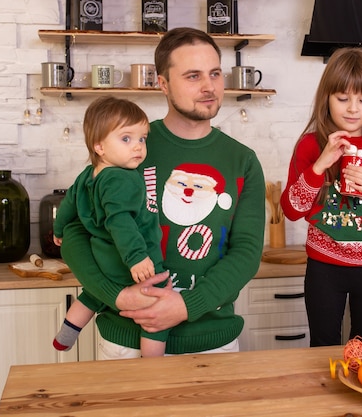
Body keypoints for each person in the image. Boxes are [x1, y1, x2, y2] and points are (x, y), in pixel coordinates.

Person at [58, 27, 266, 359]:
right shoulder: (127, 147)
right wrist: (117, 296)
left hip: (212, 343)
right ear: (163, 83)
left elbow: (246, 253)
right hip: (125, 340)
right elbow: (76, 232)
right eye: (193, 76)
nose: (209, 86)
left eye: (215, 73)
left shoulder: (243, 161)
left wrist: (185, 305)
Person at [280, 47, 362, 346]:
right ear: (326, 98)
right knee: (322, 347)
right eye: (342, 99)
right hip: (324, 267)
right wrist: (320, 165)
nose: (353, 108)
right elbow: (292, 209)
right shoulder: (310, 145)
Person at [52, 96, 169, 357]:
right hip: (127, 261)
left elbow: (69, 203)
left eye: (142, 138)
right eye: (126, 139)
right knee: (157, 308)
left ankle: (67, 334)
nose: (138, 147)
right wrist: (137, 258)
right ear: (99, 146)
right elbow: (120, 221)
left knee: (93, 296)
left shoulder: (89, 174)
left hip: (103, 258)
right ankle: (155, 366)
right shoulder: (121, 178)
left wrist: (58, 230)